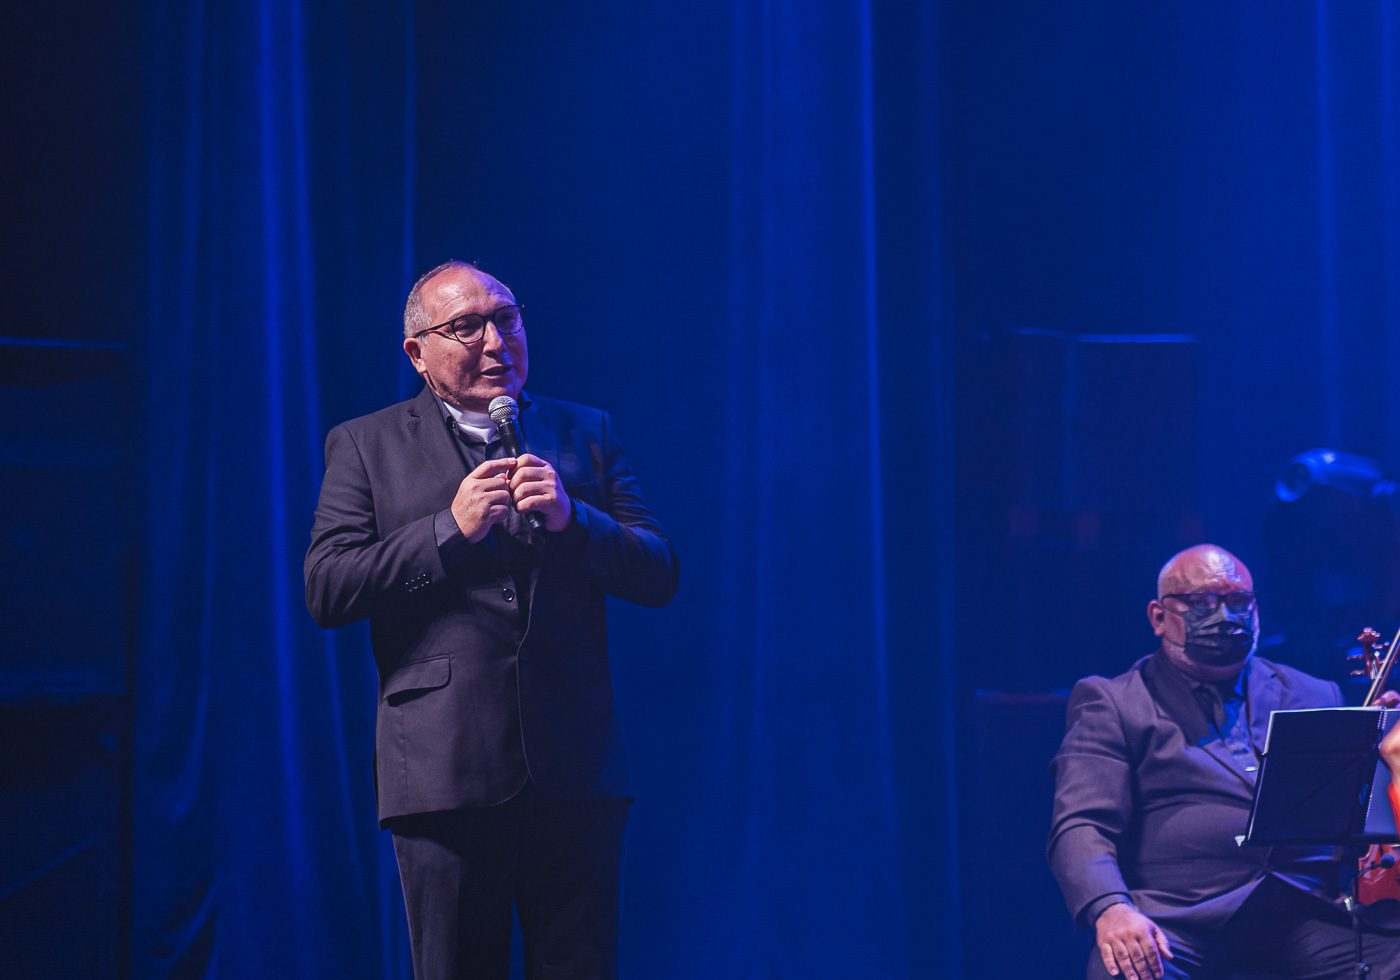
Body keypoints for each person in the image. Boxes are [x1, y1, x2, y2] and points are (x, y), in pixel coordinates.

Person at [305, 260, 679, 979]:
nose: (495, 341)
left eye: (506, 318)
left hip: (576, 768)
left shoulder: (584, 432)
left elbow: (658, 571)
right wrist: (448, 530)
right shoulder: (366, 444)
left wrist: (576, 521)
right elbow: (328, 587)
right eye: (465, 326)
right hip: (444, 771)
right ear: (417, 352)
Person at [1047, 544, 1400, 979]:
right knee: (1126, 970)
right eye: (1201, 603)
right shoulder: (1114, 701)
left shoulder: (1314, 694)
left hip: (1304, 912)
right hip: (1180, 919)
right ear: (1158, 617)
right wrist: (1110, 908)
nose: (1224, 616)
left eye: (1237, 602)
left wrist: (1388, 751)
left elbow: (1358, 814)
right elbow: (1082, 824)